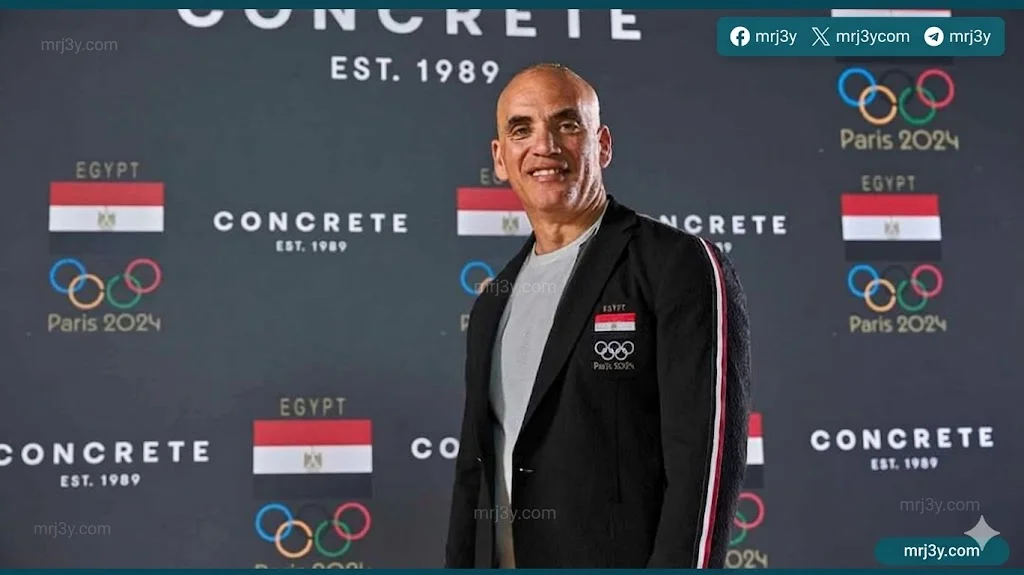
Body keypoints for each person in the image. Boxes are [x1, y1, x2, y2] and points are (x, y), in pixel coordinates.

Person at [444, 63, 751, 569]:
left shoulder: (676, 264)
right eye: (521, 130)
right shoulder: (493, 302)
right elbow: (473, 475)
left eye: (566, 124)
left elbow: (706, 463)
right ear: (500, 158)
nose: (544, 146)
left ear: (602, 145)